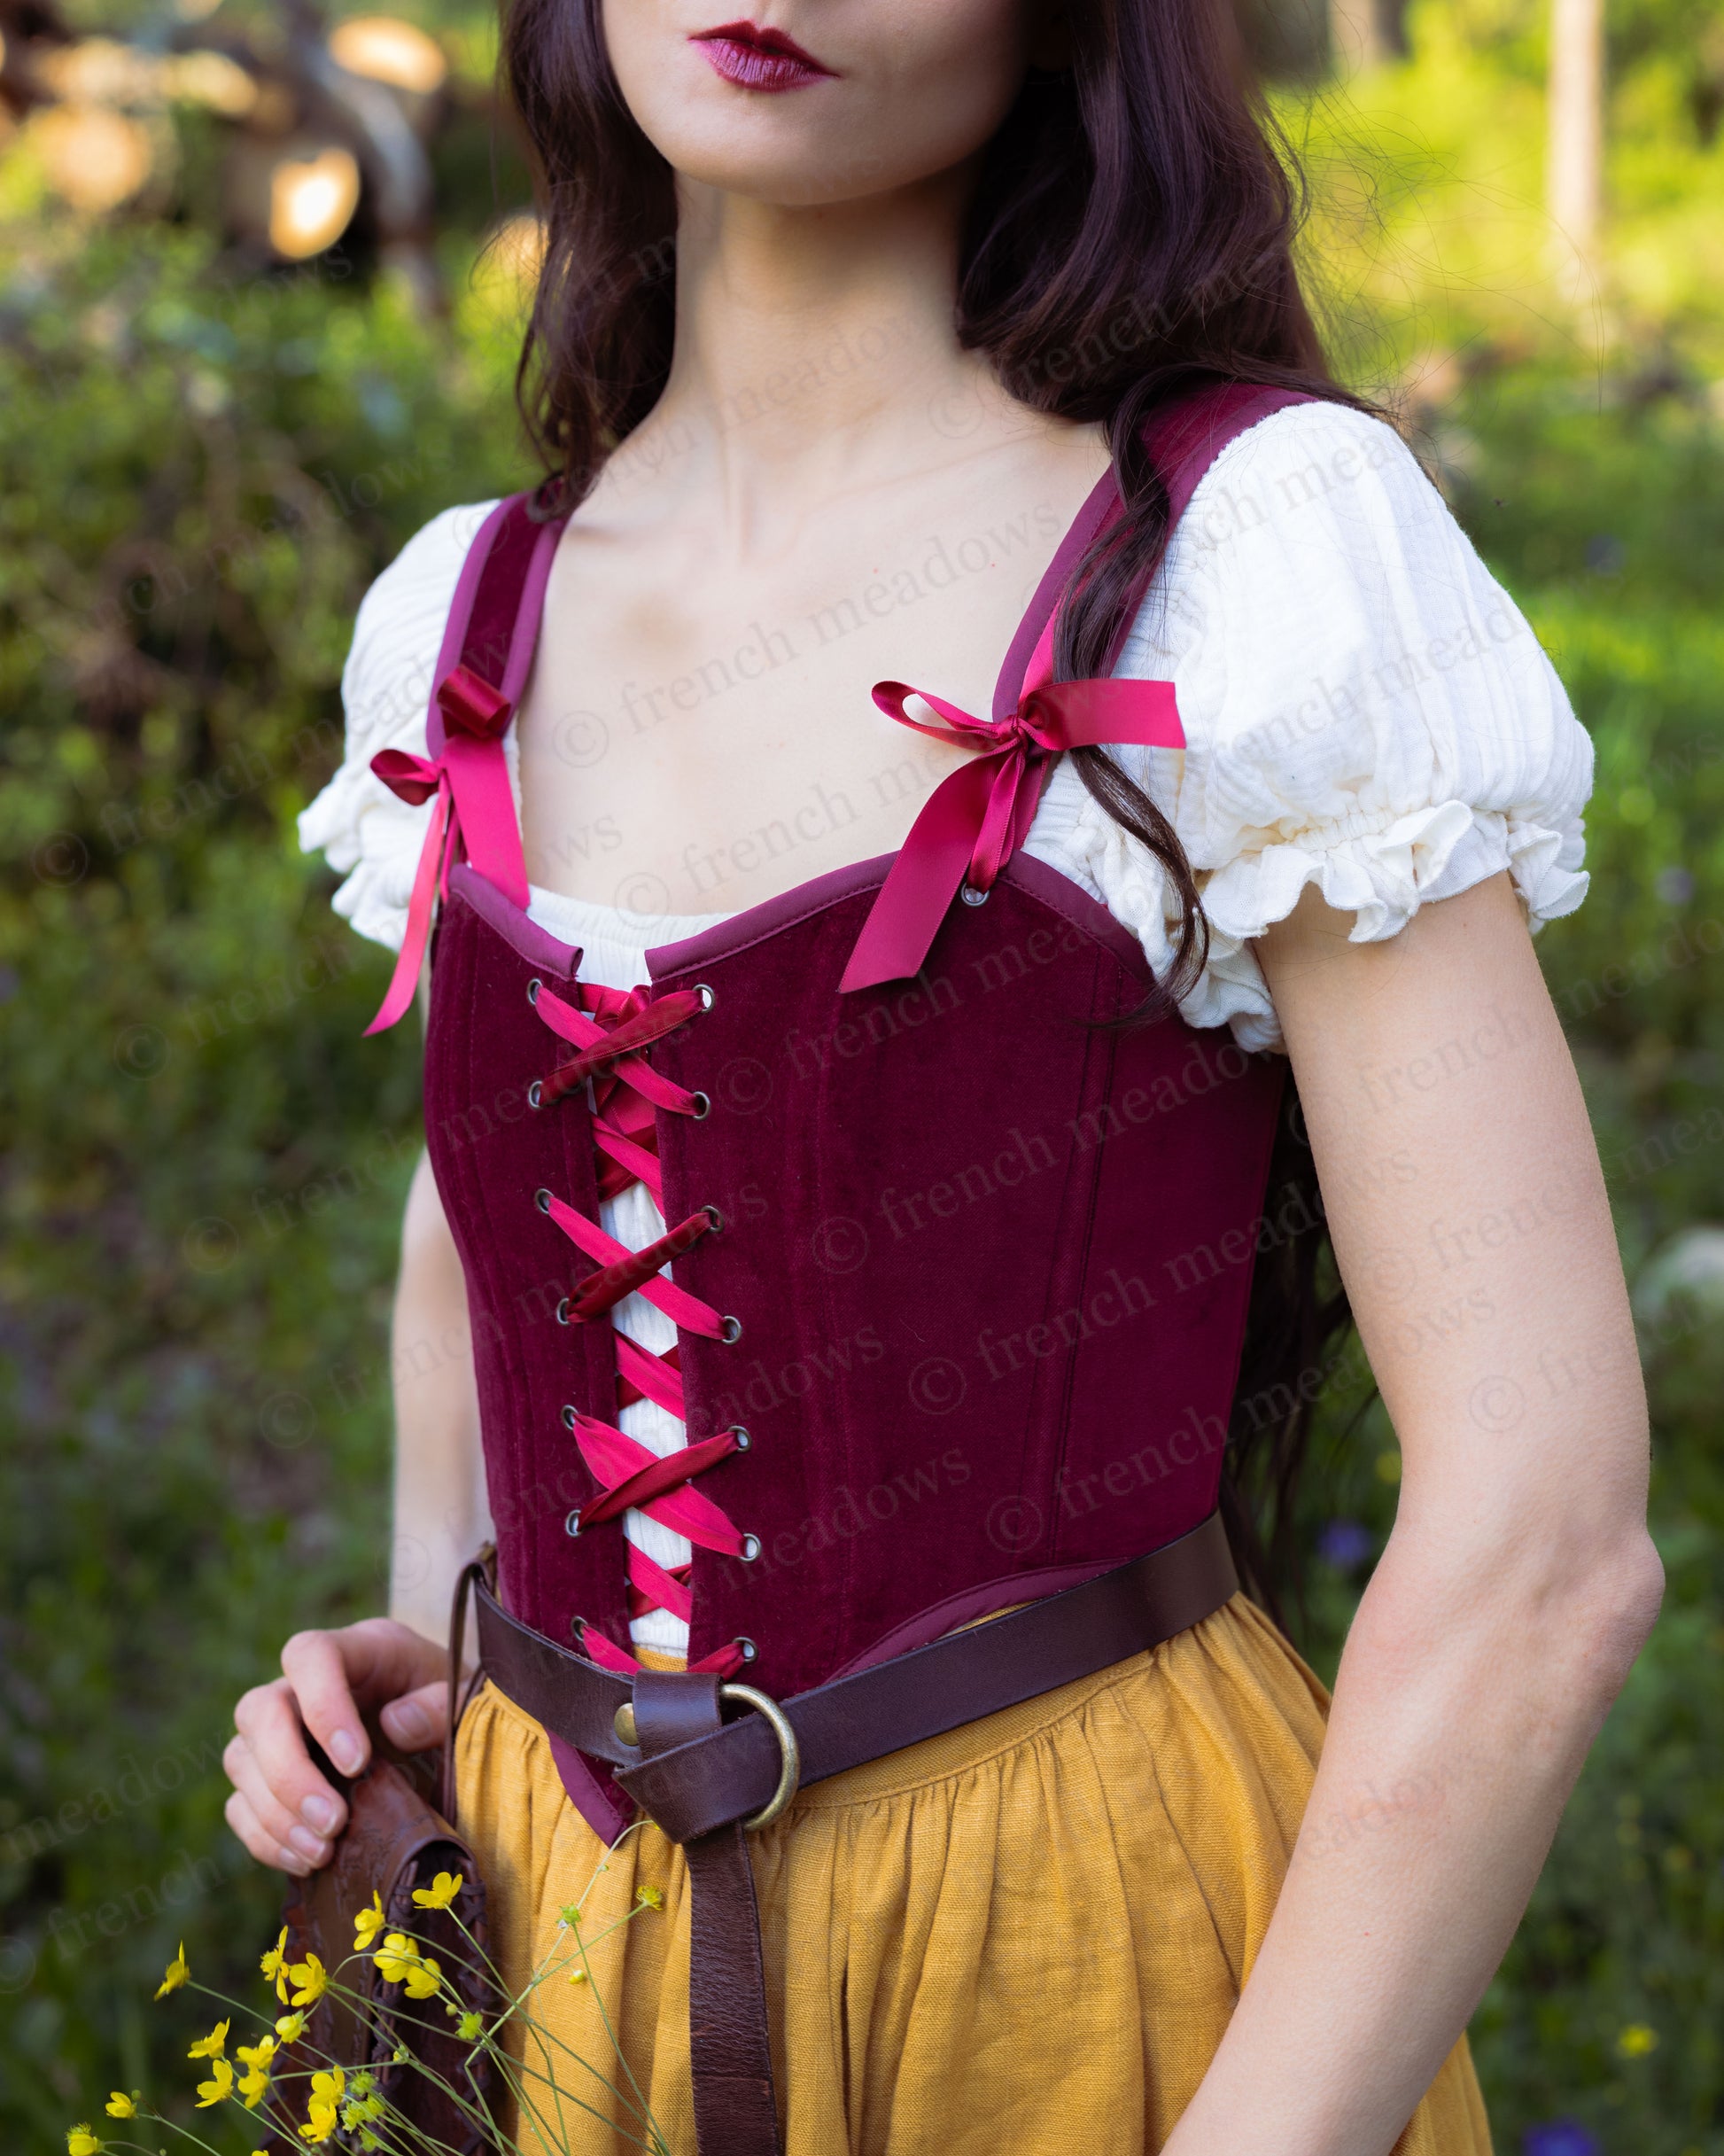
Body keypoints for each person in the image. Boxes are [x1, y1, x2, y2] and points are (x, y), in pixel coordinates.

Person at [221, 4, 1663, 2152]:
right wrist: (433, 1643)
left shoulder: (1249, 561)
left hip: (1077, 1953)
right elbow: (476, 1219)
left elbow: (1541, 1534)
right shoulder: (466, 610)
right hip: (557, 1939)